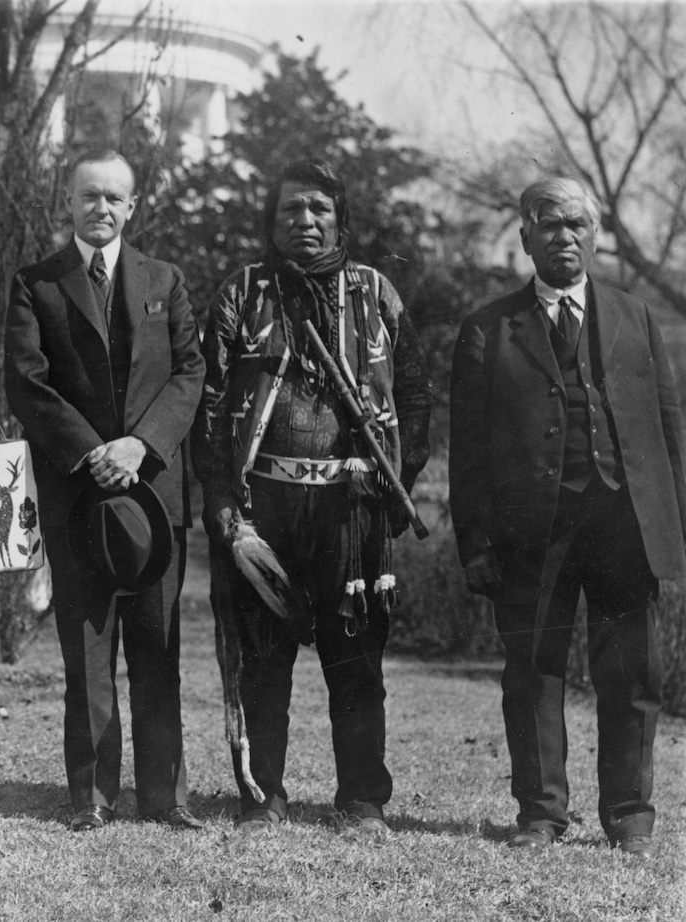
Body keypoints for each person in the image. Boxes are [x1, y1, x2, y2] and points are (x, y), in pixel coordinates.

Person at [192, 158, 431, 836]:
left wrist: (399, 482)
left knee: (355, 657)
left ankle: (361, 799)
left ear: (340, 220)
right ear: (273, 221)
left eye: (319, 210)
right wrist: (218, 497)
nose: (305, 220)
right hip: (263, 508)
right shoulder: (244, 293)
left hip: (353, 506)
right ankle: (263, 796)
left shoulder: (376, 294)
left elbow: (414, 395)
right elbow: (210, 405)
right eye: (292, 209)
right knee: (261, 660)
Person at [449, 178, 686, 859]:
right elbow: (467, 451)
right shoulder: (489, 329)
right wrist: (476, 543)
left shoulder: (635, 317)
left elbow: (670, 434)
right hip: (531, 533)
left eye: (579, 223)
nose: (567, 236)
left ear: (596, 232)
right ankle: (542, 813)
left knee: (632, 673)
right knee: (531, 672)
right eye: (551, 224)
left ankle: (631, 814)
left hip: (625, 527)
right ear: (525, 235)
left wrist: (674, 534)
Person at [4, 149, 206, 832]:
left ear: (133, 206)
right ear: (69, 201)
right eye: (89, 195)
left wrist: (140, 445)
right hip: (78, 494)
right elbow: (27, 383)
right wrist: (94, 452)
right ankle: (91, 795)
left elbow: (190, 373)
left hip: (153, 495)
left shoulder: (166, 279)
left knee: (157, 647)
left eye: (114, 198)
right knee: (88, 650)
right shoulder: (36, 284)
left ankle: (165, 797)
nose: (102, 209)